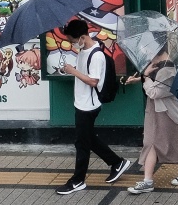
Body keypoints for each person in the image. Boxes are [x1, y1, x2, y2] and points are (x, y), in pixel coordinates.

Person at [55, 21, 130, 194]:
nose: (72, 44)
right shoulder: (84, 49)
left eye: (72, 40)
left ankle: (78, 180)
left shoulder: (96, 55)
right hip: (81, 102)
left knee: (82, 143)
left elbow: (93, 81)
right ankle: (117, 163)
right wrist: (70, 70)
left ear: (82, 37)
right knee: (88, 139)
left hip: (88, 106)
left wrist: (73, 71)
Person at [127, 47, 178, 193]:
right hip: (155, 109)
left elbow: (154, 92)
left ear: (157, 52)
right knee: (152, 142)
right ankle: (149, 180)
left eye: (150, 55)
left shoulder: (168, 70)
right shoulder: (160, 65)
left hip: (166, 110)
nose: (148, 59)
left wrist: (145, 77)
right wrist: (139, 78)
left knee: (168, 141)